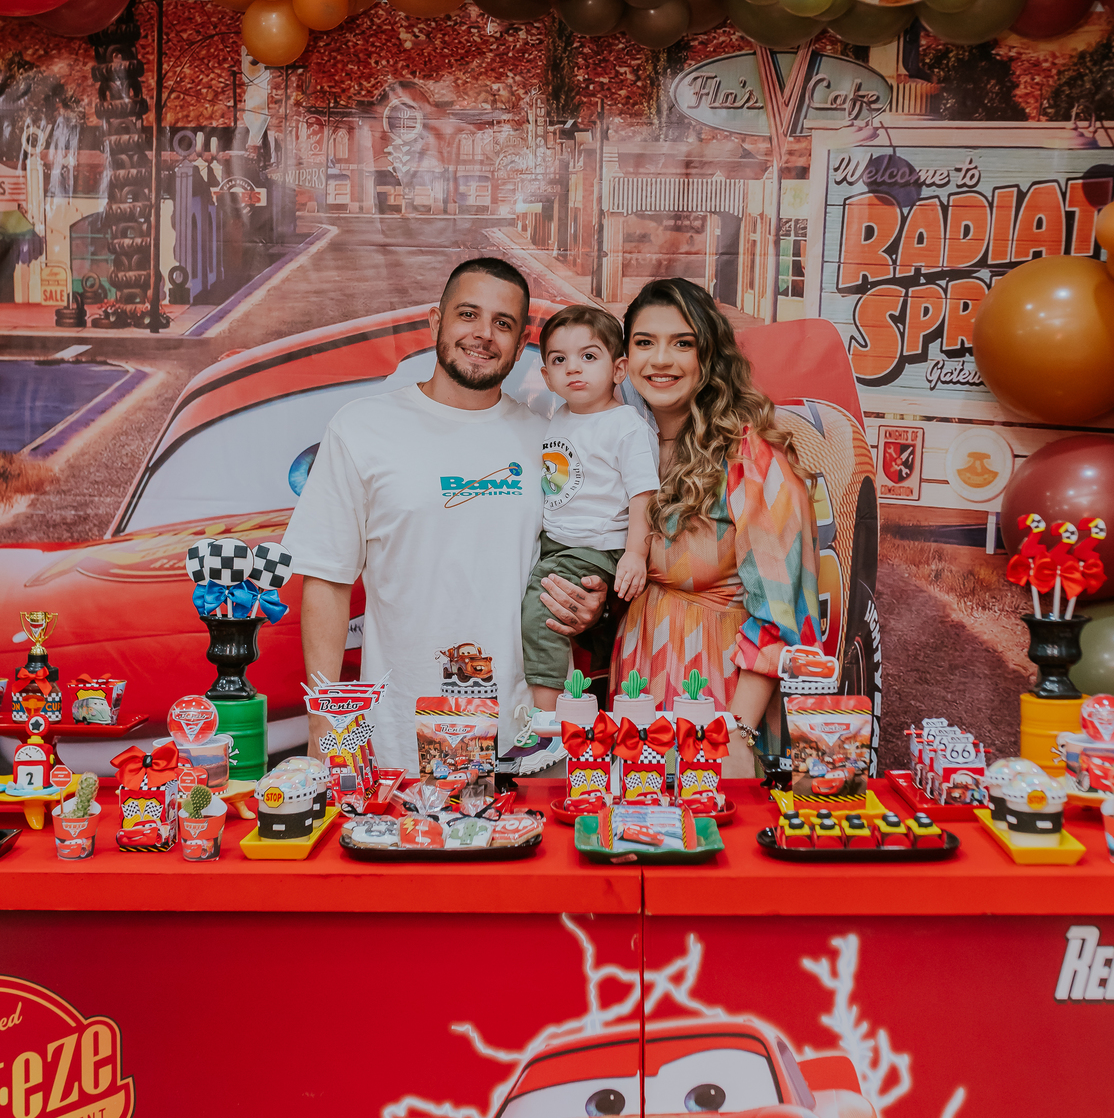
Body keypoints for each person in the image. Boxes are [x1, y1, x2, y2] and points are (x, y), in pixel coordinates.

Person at [286, 258, 608, 768]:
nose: (483, 335)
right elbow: (327, 578)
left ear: (521, 341)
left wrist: (589, 603)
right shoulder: (362, 428)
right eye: (468, 315)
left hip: (527, 740)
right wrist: (326, 732)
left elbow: (581, 552)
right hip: (399, 738)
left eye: (502, 323)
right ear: (436, 322)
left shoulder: (551, 440)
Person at [611, 277, 823, 778]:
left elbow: (782, 611)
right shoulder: (620, 446)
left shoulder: (751, 458)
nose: (660, 360)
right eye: (645, 343)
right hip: (637, 682)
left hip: (718, 695)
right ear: (624, 358)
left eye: (682, 343)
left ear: (710, 357)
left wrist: (736, 734)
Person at [521, 305, 659, 711]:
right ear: (545, 376)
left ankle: (544, 714)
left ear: (619, 370)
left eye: (589, 356)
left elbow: (643, 496)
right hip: (561, 540)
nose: (573, 368)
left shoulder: (626, 425)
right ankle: (597, 668)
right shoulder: (561, 416)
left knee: (540, 608)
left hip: (597, 545)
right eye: (559, 360)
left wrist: (635, 553)